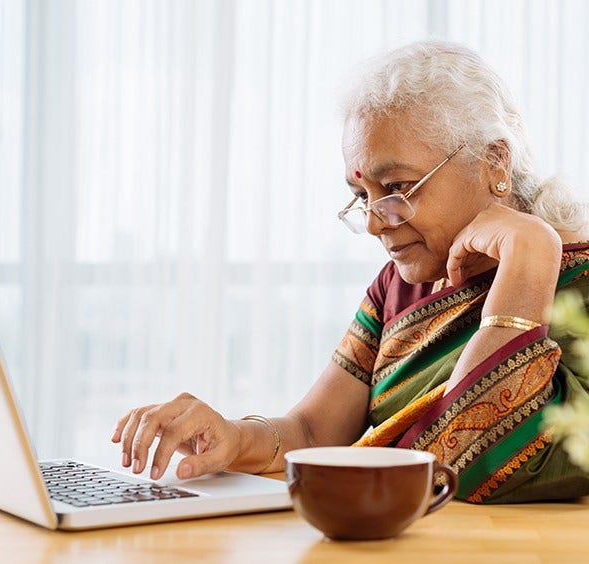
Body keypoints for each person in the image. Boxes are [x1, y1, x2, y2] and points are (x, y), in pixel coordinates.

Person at [111, 41, 589, 503]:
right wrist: (234, 438)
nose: (374, 222)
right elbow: (313, 431)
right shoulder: (400, 285)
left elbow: (471, 459)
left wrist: (529, 253)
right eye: (363, 197)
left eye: (399, 187)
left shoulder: (577, 280)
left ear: (493, 162)